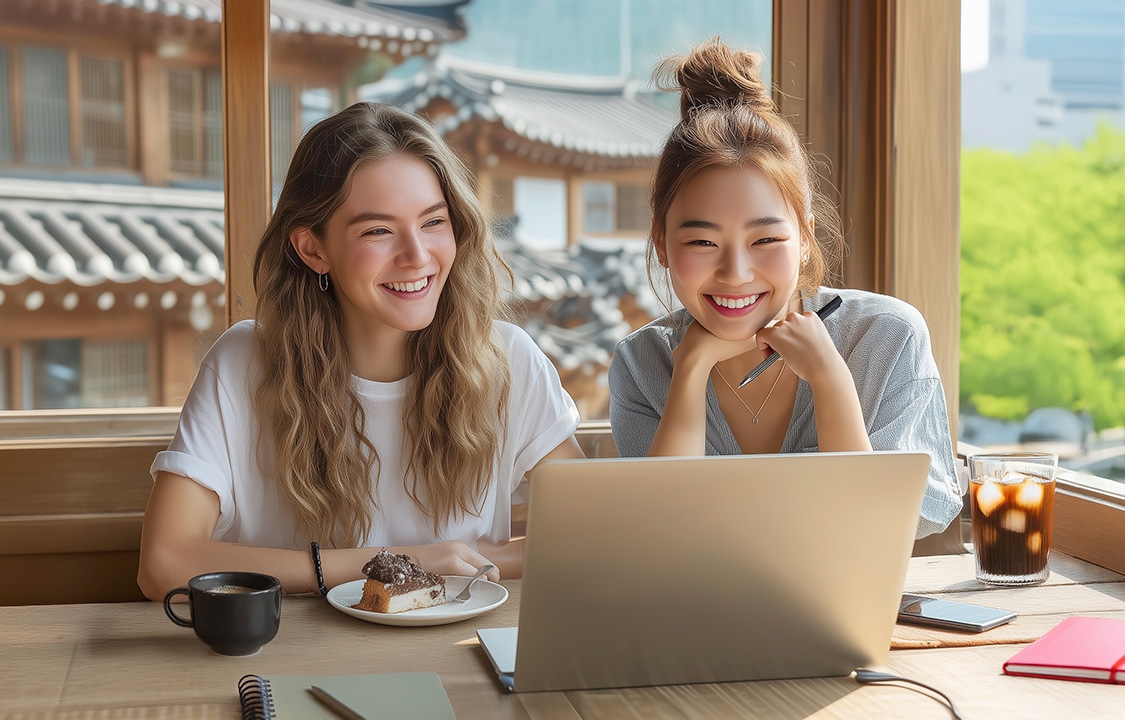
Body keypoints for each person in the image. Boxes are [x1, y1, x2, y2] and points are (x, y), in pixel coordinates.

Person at [138, 103, 583, 600]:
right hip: (294, 645)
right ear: (313, 249)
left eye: (434, 222)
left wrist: (465, 561)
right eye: (378, 231)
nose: (417, 255)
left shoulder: (508, 360)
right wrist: (396, 565)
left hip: (459, 642)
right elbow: (164, 563)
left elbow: (590, 535)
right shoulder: (242, 363)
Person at [608, 39, 961, 538]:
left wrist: (830, 378)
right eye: (703, 241)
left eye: (766, 240)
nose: (735, 272)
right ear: (661, 244)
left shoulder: (885, 336)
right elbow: (660, 534)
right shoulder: (642, 363)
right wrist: (689, 371)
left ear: (805, 239)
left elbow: (888, 527)